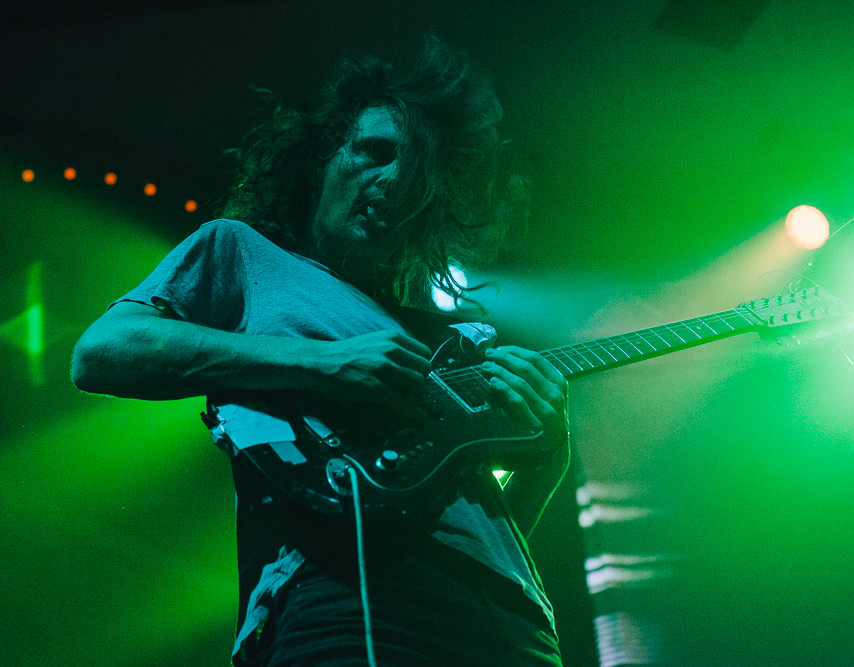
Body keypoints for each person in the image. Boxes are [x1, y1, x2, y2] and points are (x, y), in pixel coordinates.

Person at [71, 37, 570, 667]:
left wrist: (548, 454)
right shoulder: (243, 252)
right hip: (341, 591)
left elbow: (482, 530)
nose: (393, 181)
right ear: (322, 158)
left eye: (417, 172)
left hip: (515, 622)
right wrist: (322, 363)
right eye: (375, 152)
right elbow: (101, 351)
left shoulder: (439, 339)